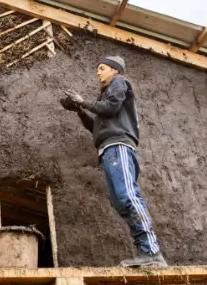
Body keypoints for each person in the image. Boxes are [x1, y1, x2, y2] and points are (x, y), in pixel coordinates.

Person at [60, 54, 166, 266]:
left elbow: (111, 107)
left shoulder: (120, 82)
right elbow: (96, 127)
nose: (97, 72)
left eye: (102, 68)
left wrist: (84, 102)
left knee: (128, 195)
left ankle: (152, 252)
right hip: (108, 148)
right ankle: (145, 253)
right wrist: (80, 110)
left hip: (119, 146)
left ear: (114, 69)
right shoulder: (106, 96)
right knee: (120, 202)